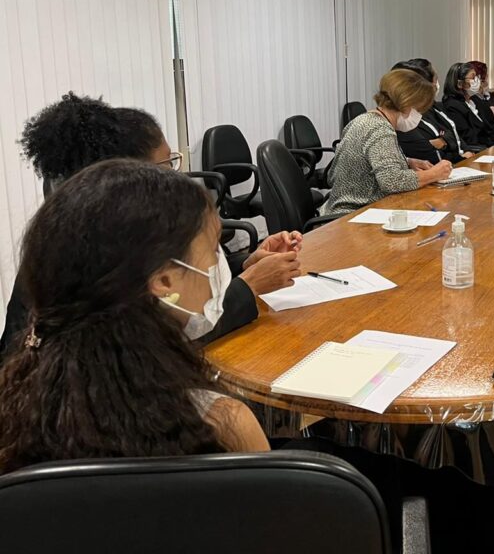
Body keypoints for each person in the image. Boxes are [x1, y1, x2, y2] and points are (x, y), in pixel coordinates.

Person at [0, 161, 270, 475]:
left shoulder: (13, 414)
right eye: (213, 249)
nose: (219, 264)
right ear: (164, 282)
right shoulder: (225, 425)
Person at [0, 93, 302, 361]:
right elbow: (173, 338)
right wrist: (249, 286)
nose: (174, 176)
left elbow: (183, 287)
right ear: (127, 178)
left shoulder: (107, 231)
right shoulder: (97, 262)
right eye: (165, 165)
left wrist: (246, 265)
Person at [321, 69, 452, 215]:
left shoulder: (365, 119)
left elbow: (356, 165)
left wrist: (406, 161)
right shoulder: (380, 129)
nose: (419, 115)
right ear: (407, 104)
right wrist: (434, 174)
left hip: (343, 207)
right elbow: (391, 181)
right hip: (352, 214)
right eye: (419, 109)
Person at [392, 60, 474, 164]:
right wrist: (461, 156)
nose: (436, 85)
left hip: (457, 164)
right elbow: (431, 156)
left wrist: (444, 141)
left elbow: (452, 133)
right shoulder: (404, 120)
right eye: (435, 80)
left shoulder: (435, 106)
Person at [440, 62, 494, 148]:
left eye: (477, 77)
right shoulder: (452, 106)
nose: (477, 80)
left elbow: (489, 128)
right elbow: (468, 138)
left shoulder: (474, 100)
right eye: (473, 77)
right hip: (479, 150)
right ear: (460, 83)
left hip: (492, 145)